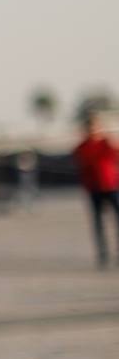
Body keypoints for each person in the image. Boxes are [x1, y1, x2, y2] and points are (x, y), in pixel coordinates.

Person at [73, 114, 119, 268]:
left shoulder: (107, 143)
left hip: (111, 186)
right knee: (98, 223)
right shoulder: (83, 146)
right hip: (94, 188)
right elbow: (80, 161)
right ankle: (103, 253)